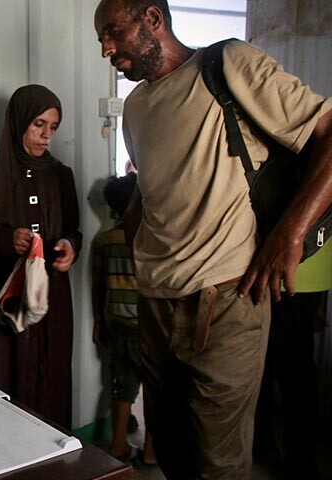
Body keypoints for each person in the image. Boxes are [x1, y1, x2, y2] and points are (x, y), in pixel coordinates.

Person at [94, 1, 332, 478]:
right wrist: (137, 249)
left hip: (225, 300)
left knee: (217, 466)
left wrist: (290, 232)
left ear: (152, 19)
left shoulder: (227, 65)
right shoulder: (137, 107)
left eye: (113, 32)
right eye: (102, 38)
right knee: (174, 455)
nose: (106, 49)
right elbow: (150, 186)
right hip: (155, 307)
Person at [0, 84, 82, 429]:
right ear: (18, 122)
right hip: (2, 297)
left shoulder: (61, 175)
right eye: (38, 125)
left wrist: (69, 249)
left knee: (49, 377)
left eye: (53, 127)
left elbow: (74, 232)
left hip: (49, 296)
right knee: (1, 379)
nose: (46, 136)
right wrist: (5, 240)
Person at [91, 173, 155, 468]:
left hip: (117, 326)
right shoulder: (149, 240)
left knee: (122, 387)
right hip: (149, 329)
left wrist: (98, 323)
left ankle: (117, 446)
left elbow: (98, 286)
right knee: (155, 391)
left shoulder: (104, 241)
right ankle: (152, 452)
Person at [254, 243, 332, 479]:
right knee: (290, 367)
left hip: (290, 263)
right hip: (306, 265)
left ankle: (294, 459)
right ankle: (282, 454)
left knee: (288, 369)